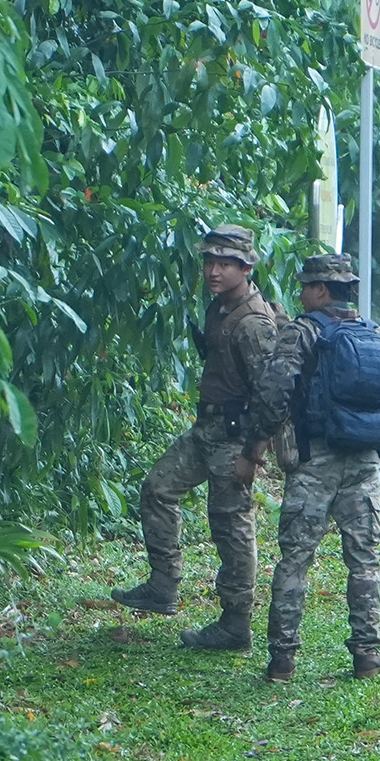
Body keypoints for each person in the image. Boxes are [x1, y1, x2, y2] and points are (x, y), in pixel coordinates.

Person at [236, 251, 380, 682]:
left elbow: (273, 392)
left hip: (315, 459)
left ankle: (283, 659)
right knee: (365, 561)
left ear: (319, 290)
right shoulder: (376, 334)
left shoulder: (304, 332)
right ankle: (367, 654)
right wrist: (364, 425)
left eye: (304, 287)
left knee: (295, 559)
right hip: (365, 462)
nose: (300, 295)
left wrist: (259, 440)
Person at [109, 226, 284, 652]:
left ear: (246, 267)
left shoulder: (253, 323)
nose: (214, 270)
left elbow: (272, 394)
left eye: (225, 263)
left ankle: (235, 624)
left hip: (235, 439)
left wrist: (253, 454)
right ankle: (163, 585)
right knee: (157, 488)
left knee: (231, 527)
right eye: (209, 261)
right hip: (206, 430)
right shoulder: (219, 308)